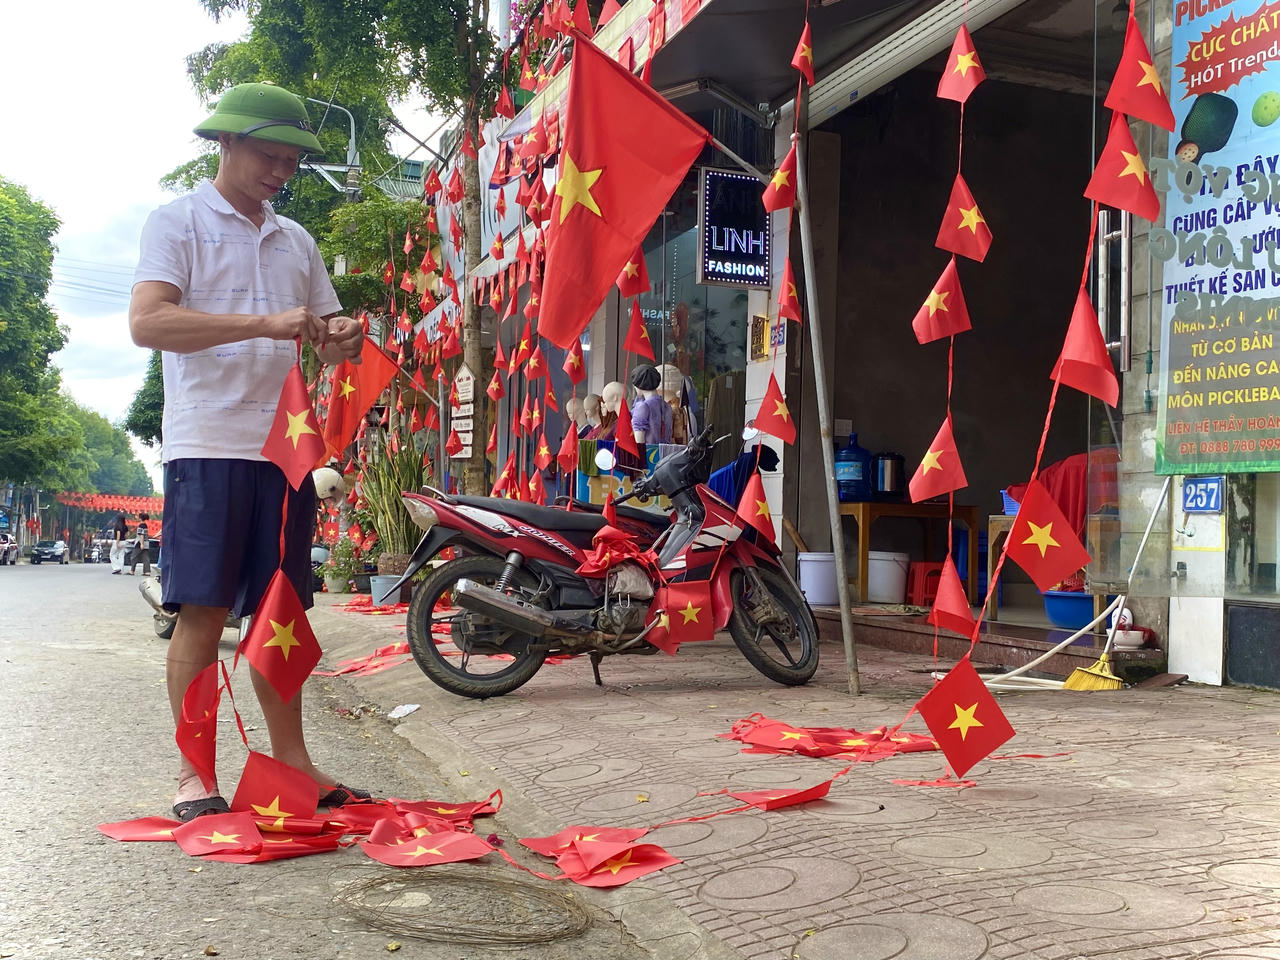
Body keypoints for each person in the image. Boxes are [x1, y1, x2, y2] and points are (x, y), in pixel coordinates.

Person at [128, 81, 365, 822]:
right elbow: (149, 323)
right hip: (209, 442)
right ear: (225, 143)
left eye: (292, 161)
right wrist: (263, 323)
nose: (281, 171)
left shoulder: (296, 240)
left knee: (281, 610)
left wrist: (341, 339)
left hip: (285, 449)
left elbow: (324, 339)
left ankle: (294, 761)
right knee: (202, 611)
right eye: (269, 155)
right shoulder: (178, 223)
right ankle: (194, 775)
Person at [630, 364, 673, 446]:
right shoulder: (667, 406)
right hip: (665, 454)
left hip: (648, 455)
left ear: (639, 384)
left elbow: (639, 441)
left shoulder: (642, 406)